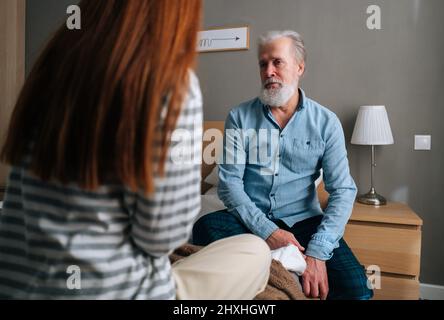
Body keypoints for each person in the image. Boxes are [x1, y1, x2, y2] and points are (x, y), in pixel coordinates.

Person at [0, 0, 271, 300]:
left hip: (19, 288)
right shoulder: (172, 85)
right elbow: (162, 237)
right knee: (254, 251)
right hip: (118, 293)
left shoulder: (51, 68)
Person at [193, 30, 373, 300]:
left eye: (277, 62)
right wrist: (269, 232)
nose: (269, 71)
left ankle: (284, 264)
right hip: (251, 222)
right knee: (205, 227)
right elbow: (229, 186)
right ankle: (286, 267)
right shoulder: (239, 117)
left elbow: (343, 191)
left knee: (358, 290)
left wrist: (317, 252)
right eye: (263, 64)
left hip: (305, 222)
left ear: (300, 67)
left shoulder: (326, 122)